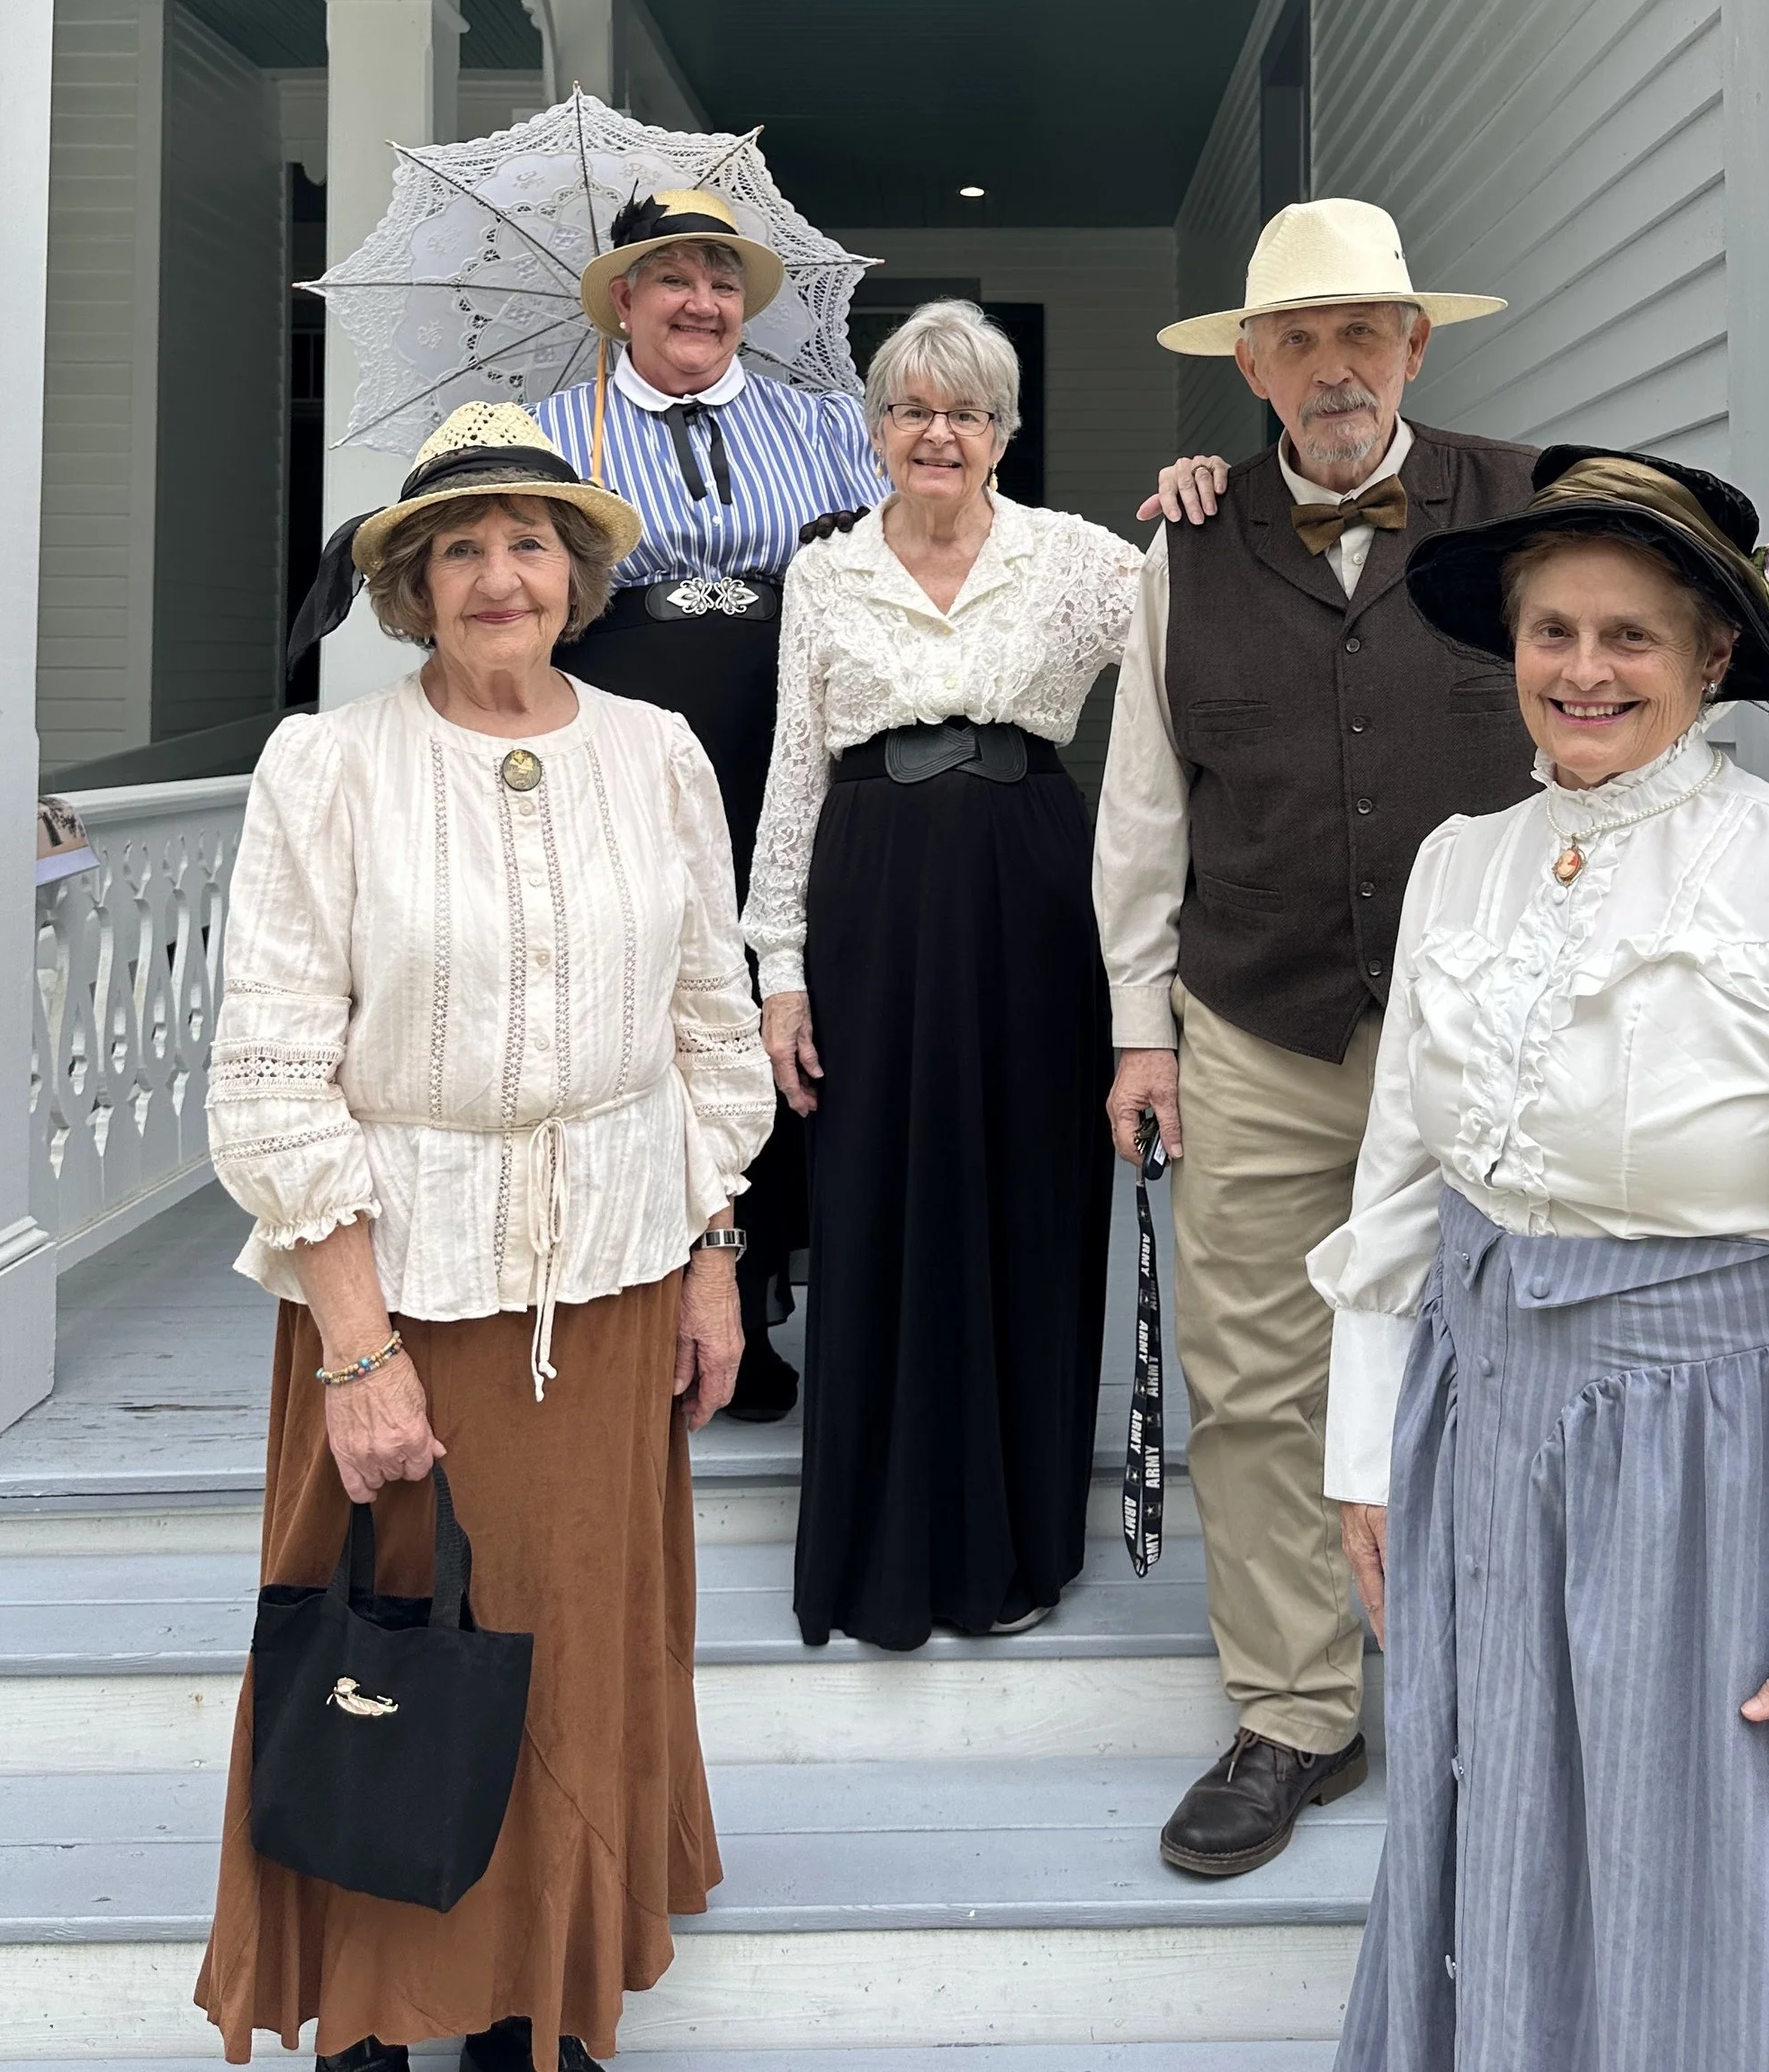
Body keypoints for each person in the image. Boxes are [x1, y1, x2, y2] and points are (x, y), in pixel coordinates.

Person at [1314, 448, 1769, 2071]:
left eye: (1629, 636)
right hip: (1491, 1445)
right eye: (1552, 631)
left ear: (1713, 659)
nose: (1582, 671)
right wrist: (1371, 1446)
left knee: (1739, 1908)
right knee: (1523, 1877)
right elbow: (1405, 1184)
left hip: (1730, 1475)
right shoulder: (1460, 865)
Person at [196, 401, 776, 2072]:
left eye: (531, 542)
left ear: (580, 574)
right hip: (400, 1288)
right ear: (413, 586)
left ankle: (541, 2000)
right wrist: (359, 1352)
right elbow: (272, 1070)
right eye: (461, 547)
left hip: (607, 1277)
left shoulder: (658, 752)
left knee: (572, 1637)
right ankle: (385, 2010)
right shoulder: (332, 765)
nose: (500, 574)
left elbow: (708, 1028)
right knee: (398, 1651)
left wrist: (713, 1251)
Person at [1092, 197, 1537, 1878]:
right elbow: (1143, 813)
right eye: (1302, 337)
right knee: (1259, 1378)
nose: (1338, 365)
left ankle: (1497, 1695)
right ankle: (1296, 1714)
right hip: (1258, 1018)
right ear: (1254, 369)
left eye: (1368, 331)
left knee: (1504, 1363)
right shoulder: (1185, 550)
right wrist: (1143, 1033)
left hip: (1495, 1028)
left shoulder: (1531, 508)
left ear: (1416, 347)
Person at [741, 300, 1143, 1647]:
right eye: (912, 407)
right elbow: (795, 771)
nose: (939, 432)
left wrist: (1207, 496)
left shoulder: (1083, 563)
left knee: (1028, 1200)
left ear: (1005, 433)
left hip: (1033, 899)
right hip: (868, 904)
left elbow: (1190, 684)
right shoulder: (826, 573)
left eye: (966, 411)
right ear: (875, 428)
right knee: (876, 1201)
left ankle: (1016, 1549)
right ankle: (880, 1551)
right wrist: (780, 971)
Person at [530, 186, 884, 1421]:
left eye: (723, 282)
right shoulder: (544, 428)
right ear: (621, 301)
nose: (702, 302)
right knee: (640, 1016)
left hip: (792, 769)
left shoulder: (830, 426)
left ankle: (764, 1296)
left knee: (781, 1015)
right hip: (612, 777)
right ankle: (639, 1288)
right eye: (671, 278)